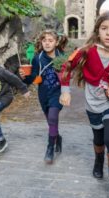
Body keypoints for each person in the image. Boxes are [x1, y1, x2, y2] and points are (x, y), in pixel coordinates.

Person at [59, 11, 109, 198]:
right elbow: (67, 67)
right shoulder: (86, 50)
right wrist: (65, 90)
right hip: (93, 105)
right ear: (97, 30)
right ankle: (99, 161)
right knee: (99, 140)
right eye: (104, 28)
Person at [19, 30, 68, 164]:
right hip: (43, 94)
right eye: (44, 40)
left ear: (56, 42)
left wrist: (66, 91)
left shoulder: (62, 57)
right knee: (50, 122)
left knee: (53, 117)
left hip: (57, 94)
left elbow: (67, 75)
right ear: (41, 42)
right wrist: (25, 77)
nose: (47, 43)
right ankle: (57, 137)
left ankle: (50, 148)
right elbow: (32, 79)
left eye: (50, 40)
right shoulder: (37, 58)